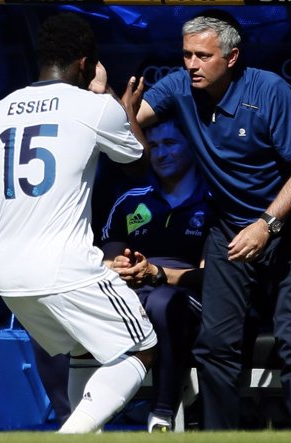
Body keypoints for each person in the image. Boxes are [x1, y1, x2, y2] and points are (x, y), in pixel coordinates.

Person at [121, 10, 291, 430]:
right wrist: (124, 108)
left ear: (231, 58)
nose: (191, 64)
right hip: (228, 227)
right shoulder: (179, 86)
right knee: (215, 343)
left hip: (287, 229)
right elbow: (132, 130)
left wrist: (266, 224)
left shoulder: (270, 90)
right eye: (186, 55)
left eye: (202, 56)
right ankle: (220, 436)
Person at [0, 12, 157, 434]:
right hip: (66, 268)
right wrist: (115, 100)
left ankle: (77, 430)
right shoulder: (94, 105)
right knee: (141, 349)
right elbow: (140, 166)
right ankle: (68, 436)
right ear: (86, 63)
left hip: (9, 277)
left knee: (83, 350)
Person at [100, 119, 211, 432]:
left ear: (192, 146)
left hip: (190, 298)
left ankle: (161, 414)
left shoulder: (213, 202)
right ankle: (79, 414)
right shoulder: (130, 200)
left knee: (162, 301)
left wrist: (158, 274)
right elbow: (110, 263)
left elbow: (211, 278)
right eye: (155, 146)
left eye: (171, 143)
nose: (161, 153)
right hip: (134, 293)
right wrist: (127, 268)